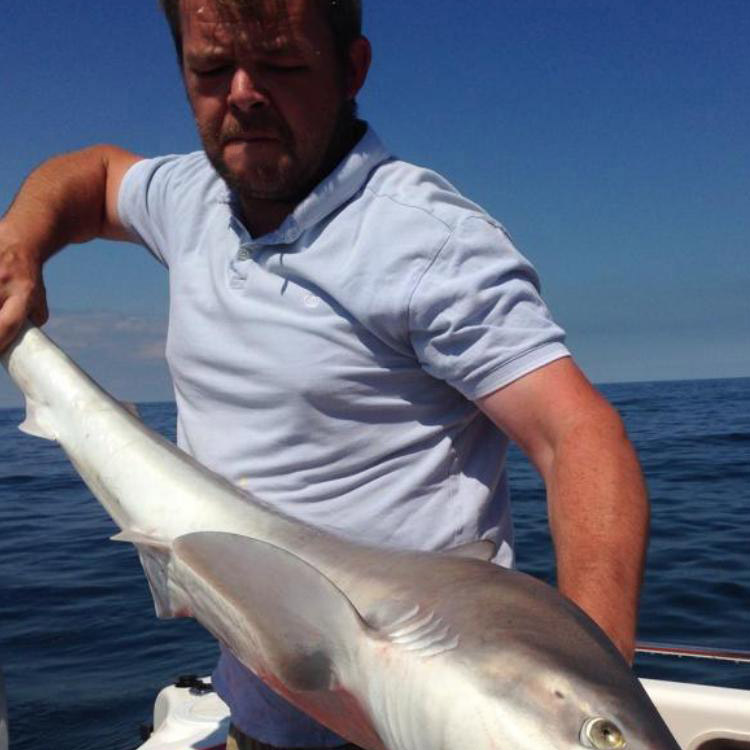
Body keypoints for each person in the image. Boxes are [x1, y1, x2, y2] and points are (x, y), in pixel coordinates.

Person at [0, 1, 649, 748]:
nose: (242, 92)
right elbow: (95, 175)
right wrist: (19, 240)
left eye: (279, 63)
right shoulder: (192, 198)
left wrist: (586, 685)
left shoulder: (426, 243)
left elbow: (579, 435)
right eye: (211, 68)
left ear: (352, 69)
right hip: (259, 717)